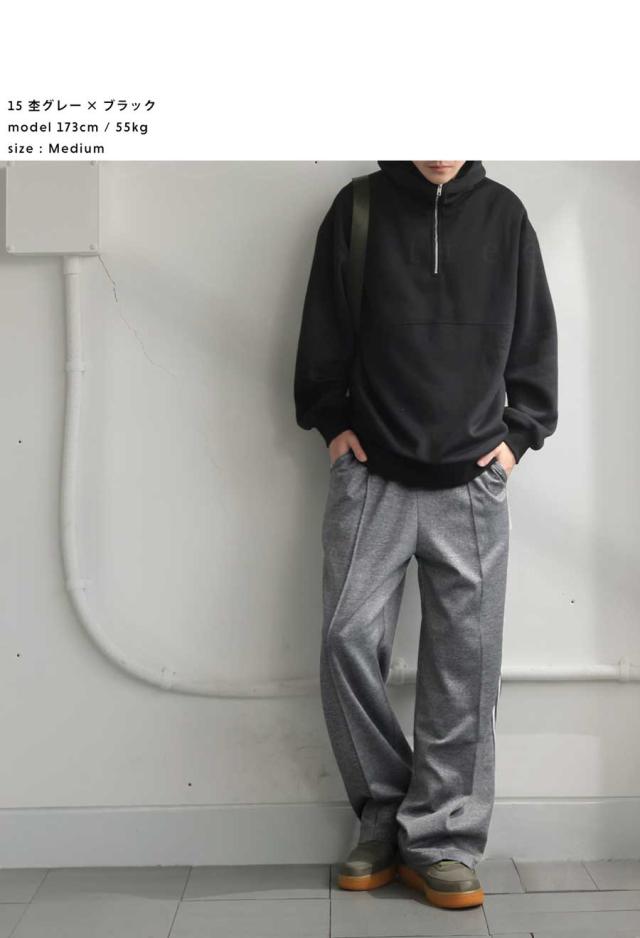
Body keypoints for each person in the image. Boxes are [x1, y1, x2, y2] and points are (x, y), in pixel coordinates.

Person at [293, 160, 558, 909]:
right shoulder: (357, 208)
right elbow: (323, 329)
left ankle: (441, 839)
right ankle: (384, 814)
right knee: (345, 640)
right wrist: (331, 422)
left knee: (466, 665)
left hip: (472, 482)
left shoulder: (505, 215)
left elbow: (536, 339)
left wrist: (517, 438)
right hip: (371, 474)